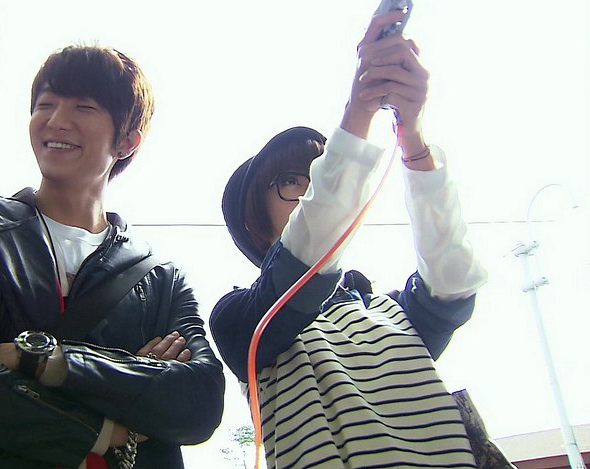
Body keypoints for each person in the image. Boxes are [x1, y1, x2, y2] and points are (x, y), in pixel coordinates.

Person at [0, 45, 224, 469]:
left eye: (83, 107)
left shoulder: (161, 278)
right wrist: (109, 427)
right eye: (45, 105)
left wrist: (40, 359)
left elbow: (199, 402)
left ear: (127, 141)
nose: (55, 120)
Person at [209, 10, 488, 469]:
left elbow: (453, 280)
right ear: (253, 222)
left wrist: (412, 136)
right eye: (291, 180)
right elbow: (309, 250)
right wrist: (360, 108)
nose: (311, 190)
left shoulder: (394, 313)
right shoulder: (239, 318)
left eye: (319, 174)